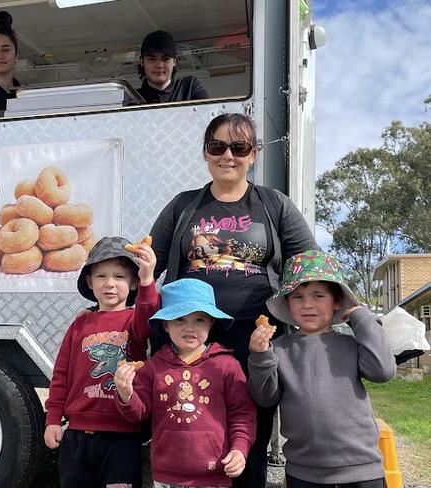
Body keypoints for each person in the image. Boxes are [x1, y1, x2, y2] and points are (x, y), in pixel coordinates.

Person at [149, 112, 319, 487]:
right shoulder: (183, 206)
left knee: (250, 431)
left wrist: (333, 316)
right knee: (189, 425)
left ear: (253, 154)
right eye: (218, 146)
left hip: (256, 341)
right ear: (205, 154)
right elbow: (151, 266)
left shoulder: (274, 205)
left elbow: (309, 266)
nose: (228, 155)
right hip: (191, 337)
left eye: (239, 146)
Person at [248, 250, 397, 487]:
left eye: (318, 295)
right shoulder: (278, 349)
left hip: (362, 469)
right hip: (304, 472)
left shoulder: (351, 344)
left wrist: (363, 318)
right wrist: (259, 355)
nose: (308, 304)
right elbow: (265, 398)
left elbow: (383, 371)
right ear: (287, 302)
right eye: (298, 297)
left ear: (337, 300)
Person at [115, 278, 257, 488]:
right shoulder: (154, 366)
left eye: (199, 319)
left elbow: (242, 413)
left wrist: (239, 449)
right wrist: (125, 394)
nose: (189, 328)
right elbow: (139, 412)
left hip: (214, 473)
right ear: (165, 324)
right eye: (179, 319)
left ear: (211, 323)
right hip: (166, 474)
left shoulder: (226, 365)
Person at [44, 236, 160, 488]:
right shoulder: (79, 324)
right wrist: (53, 419)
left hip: (122, 436)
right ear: (89, 281)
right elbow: (61, 374)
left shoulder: (135, 322)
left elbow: (150, 314)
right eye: (101, 276)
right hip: (76, 435)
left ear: (132, 283)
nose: (109, 283)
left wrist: (148, 277)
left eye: (119, 276)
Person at [137, 30, 209, 103]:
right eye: (152, 59)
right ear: (142, 62)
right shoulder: (133, 99)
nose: (159, 65)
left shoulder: (189, 88)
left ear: (174, 61)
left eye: (165, 59)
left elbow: (209, 110)